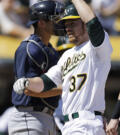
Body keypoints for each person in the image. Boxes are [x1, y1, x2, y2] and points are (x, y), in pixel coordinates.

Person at [13, 0, 113, 134]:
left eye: (72, 23)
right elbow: (45, 82)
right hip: (69, 125)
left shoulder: (97, 49)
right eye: (65, 24)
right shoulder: (67, 55)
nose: (67, 28)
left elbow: (93, 23)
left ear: (84, 23)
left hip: (87, 121)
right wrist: (27, 82)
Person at [8, 1, 65, 135]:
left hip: (46, 116)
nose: (58, 23)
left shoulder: (50, 50)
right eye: (53, 19)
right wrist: (65, 89)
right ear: (41, 23)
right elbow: (28, 89)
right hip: (29, 116)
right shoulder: (29, 48)